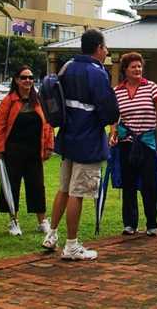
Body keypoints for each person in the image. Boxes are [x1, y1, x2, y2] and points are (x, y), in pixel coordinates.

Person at [42, 29, 119, 261]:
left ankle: (51, 235)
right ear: (98, 48)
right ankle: (72, 246)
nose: (106, 52)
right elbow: (109, 110)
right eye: (105, 48)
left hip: (68, 137)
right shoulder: (96, 72)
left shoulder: (67, 66)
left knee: (64, 189)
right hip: (88, 140)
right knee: (78, 193)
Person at [109, 52, 157, 237]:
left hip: (147, 143)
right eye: (133, 66)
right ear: (125, 70)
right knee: (128, 184)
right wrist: (112, 133)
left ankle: (152, 223)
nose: (137, 69)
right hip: (126, 143)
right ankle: (129, 224)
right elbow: (115, 117)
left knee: (149, 184)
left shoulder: (151, 87)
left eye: (139, 66)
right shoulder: (117, 91)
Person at [0, 65, 55, 237]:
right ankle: (13, 220)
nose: (28, 81)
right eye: (24, 77)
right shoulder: (9, 100)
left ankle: (42, 221)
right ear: (17, 80)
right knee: (11, 186)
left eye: (30, 77)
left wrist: (49, 145)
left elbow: (47, 124)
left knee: (37, 185)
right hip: (13, 150)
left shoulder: (38, 100)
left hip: (34, 150)